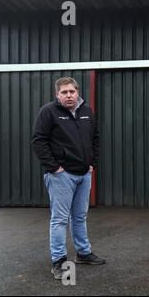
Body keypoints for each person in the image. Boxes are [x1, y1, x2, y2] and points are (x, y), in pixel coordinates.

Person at [31, 77, 105, 280]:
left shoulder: (86, 112)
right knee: (60, 220)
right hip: (61, 176)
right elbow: (39, 141)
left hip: (84, 174)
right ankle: (59, 261)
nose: (69, 95)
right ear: (57, 95)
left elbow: (95, 138)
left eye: (72, 91)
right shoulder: (49, 112)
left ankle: (83, 253)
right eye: (64, 92)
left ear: (77, 92)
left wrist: (92, 164)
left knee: (80, 217)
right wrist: (54, 168)